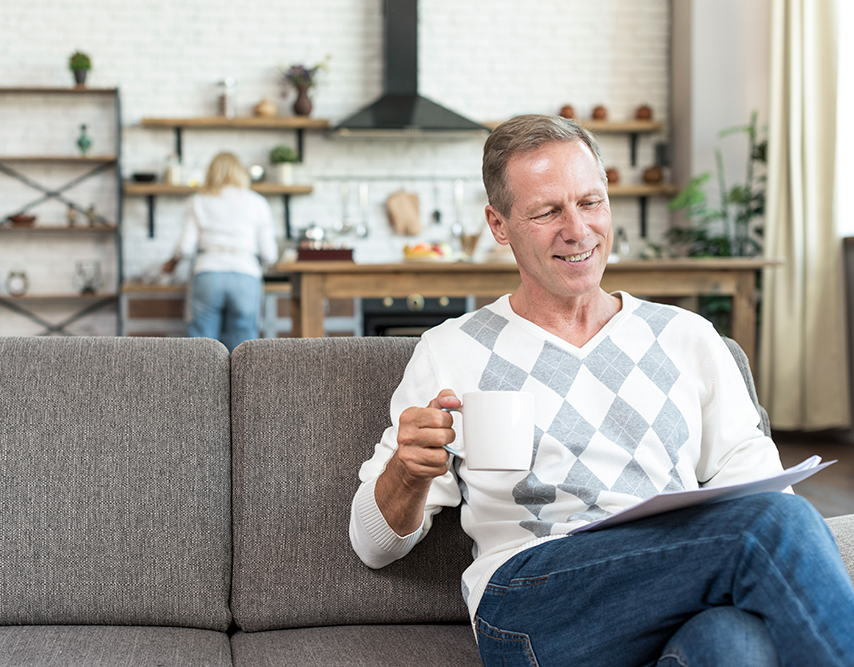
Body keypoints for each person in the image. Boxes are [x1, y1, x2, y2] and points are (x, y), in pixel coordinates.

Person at [349, 114, 854, 666]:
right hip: (532, 604)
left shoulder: (687, 337)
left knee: (735, 644)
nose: (578, 229)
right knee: (773, 529)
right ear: (498, 224)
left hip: (672, 586)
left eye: (590, 203)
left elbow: (760, 490)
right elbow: (373, 545)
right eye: (547, 212)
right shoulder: (453, 349)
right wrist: (408, 469)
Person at [163, 152, 278, 351]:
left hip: (208, 273)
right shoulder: (257, 202)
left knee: (202, 347)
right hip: (245, 274)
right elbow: (270, 254)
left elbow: (185, 247)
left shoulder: (198, 201)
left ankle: (201, 383)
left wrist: (171, 263)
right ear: (240, 173)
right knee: (245, 348)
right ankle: (244, 383)